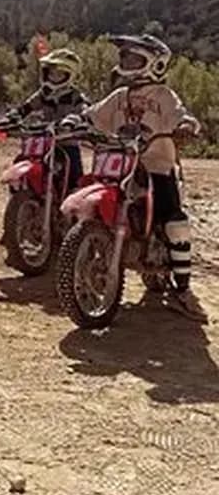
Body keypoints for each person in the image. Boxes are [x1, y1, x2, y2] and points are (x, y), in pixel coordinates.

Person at [81, 34, 206, 323]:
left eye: (135, 59)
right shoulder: (120, 96)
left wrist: (186, 125)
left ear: (156, 63)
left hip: (156, 167)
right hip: (119, 165)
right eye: (125, 58)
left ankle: (182, 291)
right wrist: (77, 119)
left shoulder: (163, 95)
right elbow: (93, 114)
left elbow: (179, 115)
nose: (127, 64)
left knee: (175, 221)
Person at [12, 48, 89, 191]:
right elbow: (27, 106)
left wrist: (73, 120)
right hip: (43, 140)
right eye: (51, 73)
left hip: (66, 141)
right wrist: (14, 116)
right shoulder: (44, 93)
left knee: (74, 173)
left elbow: (84, 111)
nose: (54, 77)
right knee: (20, 160)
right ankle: (20, 191)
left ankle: (72, 199)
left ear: (70, 75)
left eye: (59, 74)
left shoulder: (75, 96)